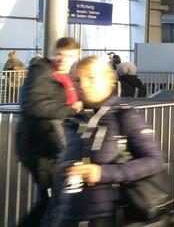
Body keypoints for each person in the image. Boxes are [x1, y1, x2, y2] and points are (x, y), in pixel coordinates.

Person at [54, 56, 165, 226]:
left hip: (110, 216)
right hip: (71, 215)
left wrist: (102, 173)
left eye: (91, 78)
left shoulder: (124, 116)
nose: (83, 85)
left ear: (109, 80)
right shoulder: (74, 121)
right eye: (77, 79)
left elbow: (154, 160)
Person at [15, 37, 83, 227]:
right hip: (40, 148)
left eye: (69, 55)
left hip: (57, 146)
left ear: (76, 56)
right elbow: (32, 105)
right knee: (52, 199)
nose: (62, 59)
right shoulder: (41, 72)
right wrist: (70, 109)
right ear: (53, 53)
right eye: (59, 54)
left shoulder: (70, 77)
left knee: (56, 198)